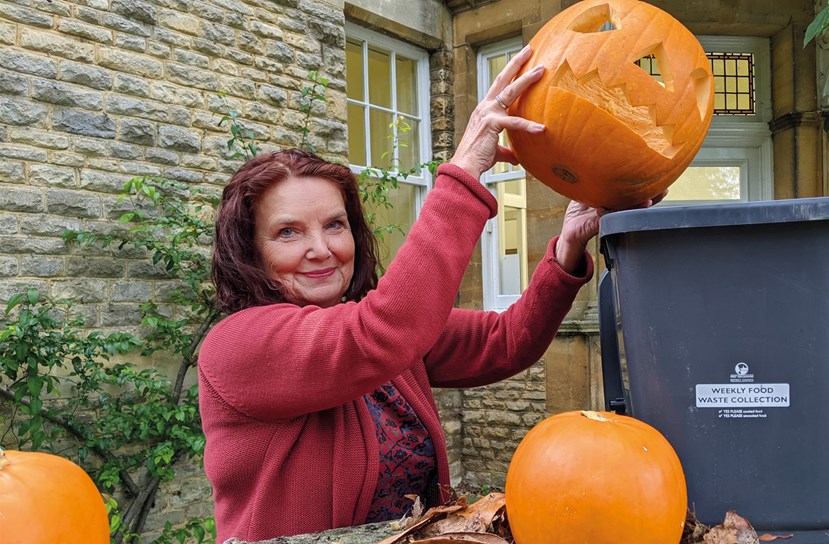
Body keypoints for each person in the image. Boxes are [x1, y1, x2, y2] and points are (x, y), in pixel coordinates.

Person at [198, 45, 665, 543]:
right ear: (249, 251)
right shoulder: (238, 347)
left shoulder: (377, 327)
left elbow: (507, 341)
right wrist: (463, 176)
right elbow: (382, 332)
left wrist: (570, 241)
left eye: (335, 225)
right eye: (288, 232)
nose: (321, 249)